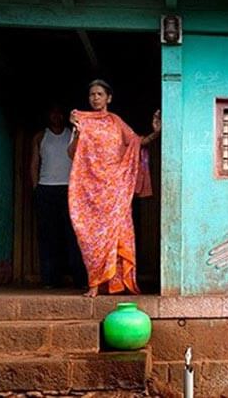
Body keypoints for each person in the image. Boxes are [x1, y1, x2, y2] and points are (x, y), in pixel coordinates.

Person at [68, 79, 161, 297]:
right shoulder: (82, 121)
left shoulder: (115, 121)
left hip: (115, 189)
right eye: (92, 94)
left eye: (100, 94)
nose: (95, 98)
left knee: (118, 234)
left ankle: (121, 283)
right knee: (91, 234)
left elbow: (137, 142)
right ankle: (96, 283)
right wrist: (77, 132)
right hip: (90, 189)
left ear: (108, 98)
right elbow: (72, 154)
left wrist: (156, 132)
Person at [30, 105, 86, 289]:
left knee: (73, 235)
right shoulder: (40, 136)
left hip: (70, 189)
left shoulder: (72, 134)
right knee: (48, 236)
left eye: (59, 112)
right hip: (46, 190)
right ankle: (50, 279)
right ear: (48, 115)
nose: (56, 116)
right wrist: (36, 189)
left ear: (64, 116)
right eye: (52, 112)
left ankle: (79, 279)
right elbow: (34, 164)